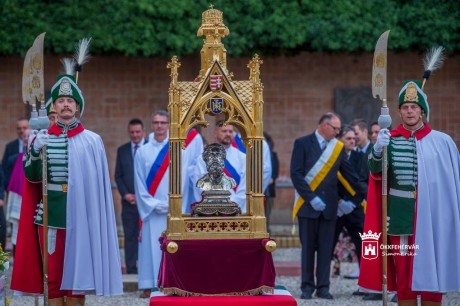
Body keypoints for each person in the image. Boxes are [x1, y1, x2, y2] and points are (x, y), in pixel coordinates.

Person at [11, 69, 123, 305]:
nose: (65, 105)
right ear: (54, 106)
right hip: (51, 217)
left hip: (82, 217)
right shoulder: (41, 137)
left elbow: (97, 186)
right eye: (60, 101)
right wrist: (34, 151)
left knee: (78, 276)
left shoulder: (92, 140)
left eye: (70, 101)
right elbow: (31, 178)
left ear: (78, 106)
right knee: (51, 276)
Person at [358, 80, 460, 306]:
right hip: (401, 219)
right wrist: (376, 150)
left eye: (414, 107)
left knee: (435, 272)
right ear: (399, 112)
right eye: (405, 107)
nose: (410, 111)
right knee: (404, 276)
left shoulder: (442, 142)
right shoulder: (390, 141)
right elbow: (376, 172)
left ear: (422, 111)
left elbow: (452, 184)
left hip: (434, 218)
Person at [291, 112, 359, 300]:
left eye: (339, 129)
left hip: (329, 208)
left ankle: (323, 287)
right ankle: (306, 287)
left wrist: (354, 197)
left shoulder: (337, 148)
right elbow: (296, 174)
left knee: (325, 249)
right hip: (307, 206)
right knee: (307, 250)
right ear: (323, 125)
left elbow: (349, 176)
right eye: (335, 129)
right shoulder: (302, 143)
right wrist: (311, 198)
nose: (338, 133)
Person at [134, 110, 200, 298]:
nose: (160, 126)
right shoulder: (142, 152)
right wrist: (153, 204)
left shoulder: (179, 151)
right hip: (152, 210)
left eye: (163, 122)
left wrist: (175, 204)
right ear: (151, 125)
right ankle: (149, 285)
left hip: (173, 211)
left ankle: (173, 283)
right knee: (150, 247)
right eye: (156, 122)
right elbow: (139, 183)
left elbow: (184, 181)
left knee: (173, 247)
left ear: (169, 125)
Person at [331, 125, 365, 281]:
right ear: (340, 140)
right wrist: (338, 201)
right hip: (335, 208)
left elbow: (362, 183)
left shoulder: (360, 157)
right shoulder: (331, 156)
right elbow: (328, 182)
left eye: (354, 139)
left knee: (363, 244)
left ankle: (365, 281)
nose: (352, 141)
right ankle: (323, 284)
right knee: (329, 244)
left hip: (354, 208)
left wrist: (351, 203)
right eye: (348, 139)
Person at [115, 118, 147, 274]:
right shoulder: (122, 150)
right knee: (130, 236)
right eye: (132, 132)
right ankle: (132, 268)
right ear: (129, 133)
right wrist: (126, 194)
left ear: (143, 132)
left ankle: (149, 268)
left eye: (138, 132)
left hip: (148, 202)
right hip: (129, 203)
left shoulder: (151, 148)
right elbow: (118, 176)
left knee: (148, 236)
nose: (135, 135)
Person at [192, 121, 246, 211]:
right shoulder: (203, 158)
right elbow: (200, 183)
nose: (228, 134)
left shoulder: (243, 158)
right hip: (212, 210)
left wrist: (234, 203)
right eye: (224, 131)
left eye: (230, 131)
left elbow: (245, 186)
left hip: (238, 209)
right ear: (215, 133)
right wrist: (219, 203)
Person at [6, 128, 31, 254]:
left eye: (29, 135)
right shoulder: (15, 158)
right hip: (18, 198)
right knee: (17, 232)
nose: (26, 138)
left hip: (32, 199)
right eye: (24, 136)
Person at [2, 118, 29, 191]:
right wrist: (7, 186)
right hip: (14, 189)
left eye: (24, 128)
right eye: (19, 128)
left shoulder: (36, 145)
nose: (22, 130)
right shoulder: (10, 146)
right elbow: (5, 167)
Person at [263, 132, 279, 235]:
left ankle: (267, 233)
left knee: (266, 214)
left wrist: (270, 178)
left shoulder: (273, 155)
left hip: (268, 190)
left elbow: (275, 172)